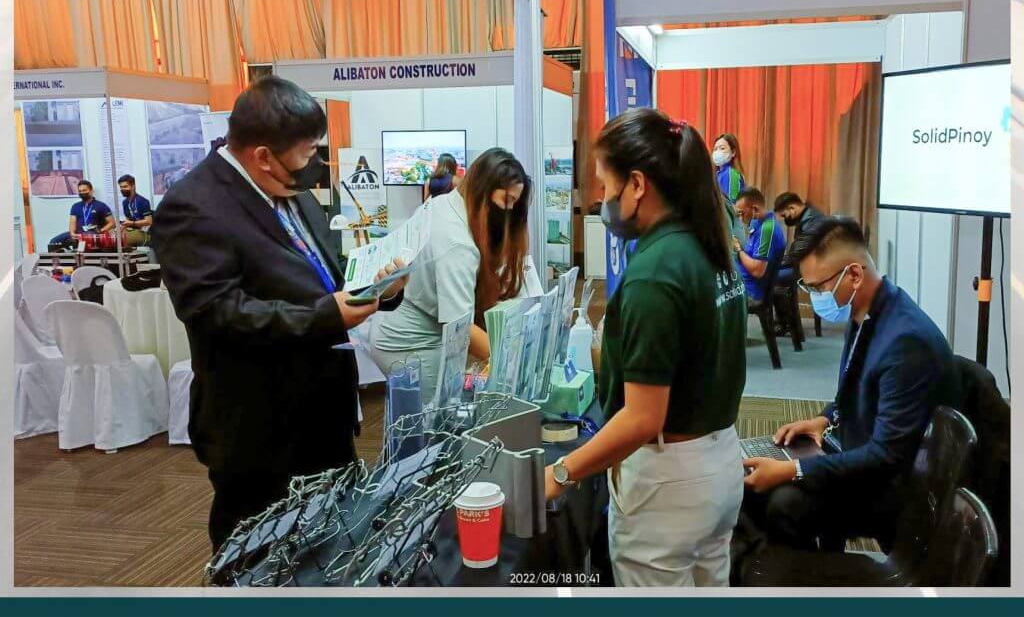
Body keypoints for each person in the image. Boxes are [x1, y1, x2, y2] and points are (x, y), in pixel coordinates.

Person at [151, 76, 408, 551]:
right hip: (259, 428)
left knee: (328, 548)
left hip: (323, 413)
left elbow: (325, 273)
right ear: (263, 155)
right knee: (257, 556)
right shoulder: (192, 206)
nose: (314, 162)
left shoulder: (291, 187)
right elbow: (217, 312)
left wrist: (379, 288)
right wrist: (326, 317)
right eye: (308, 152)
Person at [542, 108, 747, 587]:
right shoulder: (706, 242)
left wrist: (561, 473)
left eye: (605, 184)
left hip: (668, 485)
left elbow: (642, 418)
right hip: (718, 463)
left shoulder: (656, 270)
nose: (601, 199)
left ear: (636, 184)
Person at [742, 216, 963, 550]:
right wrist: (825, 419)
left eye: (818, 288)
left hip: (895, 488)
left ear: (855, 275)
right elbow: (854, 390)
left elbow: (886, 456)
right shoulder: (870, 311)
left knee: (781, 502)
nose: (813, 297)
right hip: (860, 451)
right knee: (753, 488)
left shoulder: (906, 342)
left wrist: (794, 470)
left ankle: (809, 575)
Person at [370, 148, 531, 405]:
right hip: (410, 343)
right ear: (484, 188)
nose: (509, 209)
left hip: (407, 326)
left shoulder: (446, 203)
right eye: (507, 200)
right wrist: (514, 364)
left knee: (416, 415)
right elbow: (461, 329)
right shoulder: (457, 244)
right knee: (433, 418)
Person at [772, 191, 826, 334]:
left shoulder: (813, 222)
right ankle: (785, 321)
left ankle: (785, 323)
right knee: (773, 272)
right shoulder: (809, 215)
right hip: (808, 264)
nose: (785, 219)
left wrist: (774, 263)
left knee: (772, 277)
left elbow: (798, 254)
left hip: (814, 269)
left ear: (792, 208)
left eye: (784, 215)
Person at [733, 187, 786, 307]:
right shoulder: (757, 222)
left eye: (742, 213)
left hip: (750, 292)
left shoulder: (767, 229)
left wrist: (738, 249)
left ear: (755, 209)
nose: (740, 218)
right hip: (741, 282)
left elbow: (758, 271)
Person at [118, 174, 153, 248]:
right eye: (121, 187)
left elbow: (149, 221)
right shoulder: (125, 202)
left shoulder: (143, 201)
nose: (122, 189)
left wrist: (132, 223)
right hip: (133, 230)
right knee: (112, 235)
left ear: (133, 186)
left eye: (125, 186)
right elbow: (128, 220)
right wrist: (121, 228)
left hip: (144, 232)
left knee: (123, 238)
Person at [712, 133, 746, 205]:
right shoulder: (718, 173)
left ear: (733, 152)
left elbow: (732, 206)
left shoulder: (733, 174)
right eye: (715, 149)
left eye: (722, 148)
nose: (717, 152)